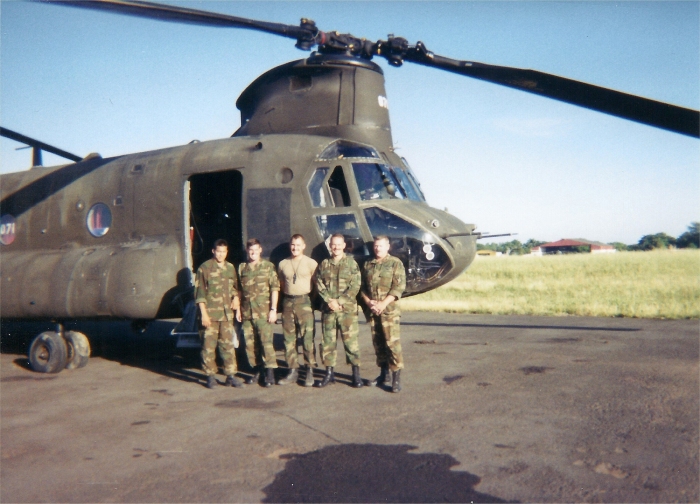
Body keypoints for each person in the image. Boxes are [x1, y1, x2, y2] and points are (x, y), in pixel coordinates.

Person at [316, 233, 363, 388]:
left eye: (338, 244)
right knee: (328, 342)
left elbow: (355, 286)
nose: (336, 247)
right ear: (330, 246)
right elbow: (319, 283)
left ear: (344, 245)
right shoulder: (324, 264)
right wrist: (330, 300)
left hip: (346, 310)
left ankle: (356, 375)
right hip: (329, 310)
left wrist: (340, 301)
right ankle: (329, 373)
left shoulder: (351, 264)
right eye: (333, 244)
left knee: (351, 343)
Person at [361, 235, 406, 392]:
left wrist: (383, 304)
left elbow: (398, 288)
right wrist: (368, 302)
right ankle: (383, 374)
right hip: (373, 311)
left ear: (388, 247)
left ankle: (396, 378)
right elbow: (362, 288)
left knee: (392, 344)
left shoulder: (395, 263)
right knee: (378, 344)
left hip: (389, 311)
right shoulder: (368, 264)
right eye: (375, 246)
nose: (377, 248)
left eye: (380, 246)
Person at [194, 239, 242, 389]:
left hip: (226, 315)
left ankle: (230, 376)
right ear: (213, 251)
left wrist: (236, 298)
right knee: (208, 346)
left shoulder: (230, 268)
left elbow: (236, 287)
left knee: (227, 346)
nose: (221, 254)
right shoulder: (205, 268)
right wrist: (204, 314)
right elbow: (199, 293)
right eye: (218, 251)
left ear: (226, 252)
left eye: (224, 252)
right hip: (210, 315)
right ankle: (210, 376)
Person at [236, 238, 280, 387]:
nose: (253, 252)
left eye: (256, 249)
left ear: (261, 250)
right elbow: (239, 290)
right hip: (247, 312)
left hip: (263, 312)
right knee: (250, 344)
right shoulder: (242, 268)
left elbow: (275, 289)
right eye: (250, 250)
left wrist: (273, 310)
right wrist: (238, 309)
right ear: (247, 251)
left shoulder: (268, 267)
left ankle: (269, 373)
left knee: (266, 343)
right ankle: (257, 370)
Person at [277, 234, 318, 387]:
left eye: (298, 245)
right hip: (288, 302)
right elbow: (282, 283)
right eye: (293, 245)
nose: (295, 248)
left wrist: (306, 299)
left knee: (307, 338)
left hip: (304, 301)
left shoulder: (311, 263)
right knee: (289, 339)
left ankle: (309, 370)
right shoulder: (283, 264)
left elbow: (315, 284)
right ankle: (292, 370)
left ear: (304, 246)